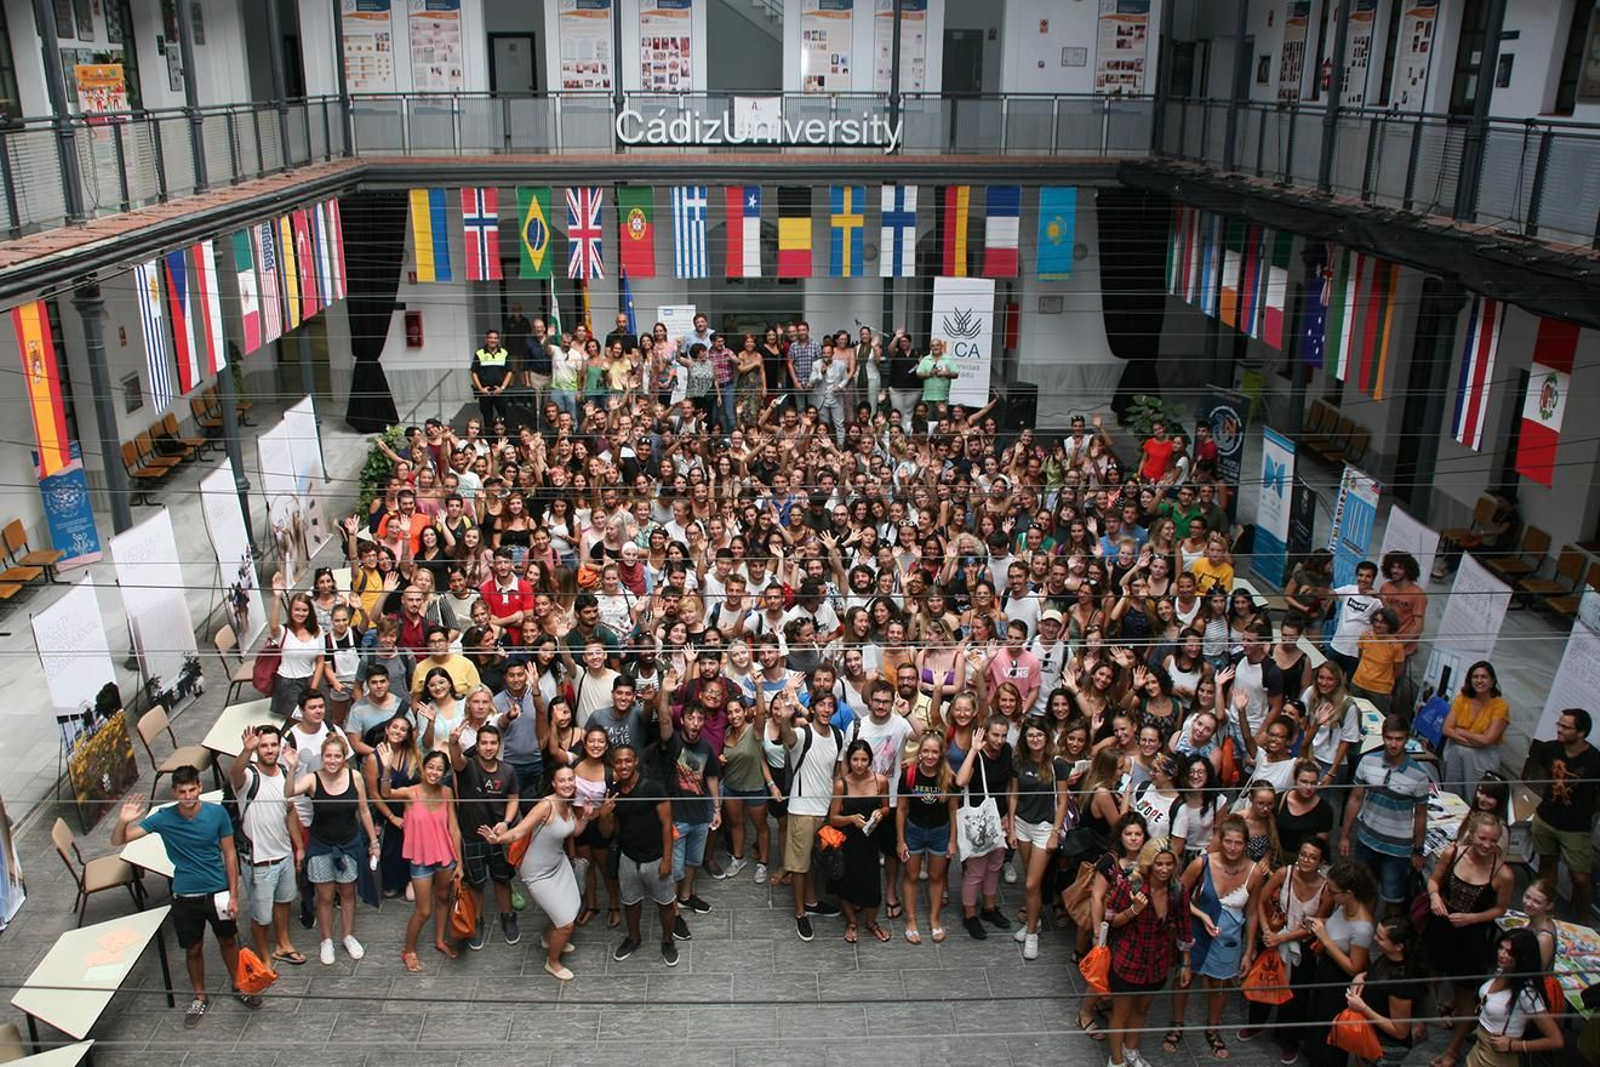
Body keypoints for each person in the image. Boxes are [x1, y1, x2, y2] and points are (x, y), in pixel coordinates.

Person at [111, 767, 262, 1028]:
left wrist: (234, 895)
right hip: (185, 894)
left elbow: (229, 854)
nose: (188, 795)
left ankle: (240, 986)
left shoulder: (216, 814)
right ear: (175, 793)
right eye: (183, 792)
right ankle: (199, 996)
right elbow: (118, 840)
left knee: (228, 941)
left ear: (199, 788)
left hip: (217, 892)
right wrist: (124, 820)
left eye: (192, 789)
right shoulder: (163, 817)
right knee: (193, 948)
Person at [480, 766, 596, 981]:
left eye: (571, 779)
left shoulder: (567, 804)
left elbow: (573, 831)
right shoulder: (546, 806)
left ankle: (548, 938)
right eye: (562, 780)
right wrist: (498, 840)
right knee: (567, 924)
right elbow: (520, 830)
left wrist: (586, 817)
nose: (567, 784)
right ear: (553, 783)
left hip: (558, 864)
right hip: (538, 872)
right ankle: (552, 962)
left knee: (570, 908)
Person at [1427, 810, 1516, 1067]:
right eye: (1482, 838)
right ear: (1472, 834)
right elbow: (1434, 881)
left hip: (1472, 937)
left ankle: (1453, 1049)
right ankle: (1422, 1020)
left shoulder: (1503, 874)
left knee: (1466, 994)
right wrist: (1434, 897)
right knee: (1430, 975)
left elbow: (1500, 909)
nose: (1487, 845)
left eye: (1493, 840)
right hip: (1442, 925)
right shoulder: (1453, 853)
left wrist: (1472, 918)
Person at [1177, 815, 1266, 1062]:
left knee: (1220, 985)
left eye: (1238, 843)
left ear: (1245, 844)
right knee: (1184, 978)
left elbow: (1252, 912)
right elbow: (1179, 895)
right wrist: (1202, 915)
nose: (1233, 848)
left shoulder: (1254, 872)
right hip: (1196, 931)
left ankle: (1212, 1028)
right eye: (1228, 841)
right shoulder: (1201, 864)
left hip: (1229, 937)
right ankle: (1177, 1024)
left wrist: (1249, 951)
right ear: (1220, 840)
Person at [1241, 837, 1332, 1061]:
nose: (1305, 860)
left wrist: (1284, 938)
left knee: (1297, 996)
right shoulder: (1284, 873)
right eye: (1303, 854)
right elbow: (1260, 901)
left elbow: (1317, 924)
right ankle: (1256, 1024)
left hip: (1302, 946)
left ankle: (1289, 1039)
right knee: (1264, 981)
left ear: (1321, 862)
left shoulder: (1326, 888)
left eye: (1312, 857)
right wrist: (1267, 932)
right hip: (1274, 936)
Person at [373, 746, 463, 971]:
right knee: (423, 910)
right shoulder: (410, 792)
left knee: (443, 899)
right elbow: (385, 793)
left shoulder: (447, 793)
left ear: (444, 773)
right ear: (423, 769)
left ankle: (440, 940)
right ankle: (409, 950)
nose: (434, 772)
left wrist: (459, 862)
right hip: (421, 858)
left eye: (439, 769)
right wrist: (386, 769)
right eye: (430, 767)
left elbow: (454, 828)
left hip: (445, 856)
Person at [1105, 842, 1194, 1067]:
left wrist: (1185, 964)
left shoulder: (1177, 891)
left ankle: (1131, 1050)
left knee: (1142, 1009)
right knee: (1120, 1013)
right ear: (1148, 864)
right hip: (1128, 959)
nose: (1164, 869)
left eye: (1168, 864)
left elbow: (1184, 928)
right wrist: (1133, 910)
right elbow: (1110, 918)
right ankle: (1116, 1060)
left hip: (1157, 962)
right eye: (1159, 864)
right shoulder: (1131, 886)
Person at [228, 725, 305, 968]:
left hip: (283, 855)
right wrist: (245, 752)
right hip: (259, 862)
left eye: (273, 745)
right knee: (261, 916)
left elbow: (289, 811)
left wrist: (299, 847)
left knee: (284, 903)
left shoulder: (283, 772)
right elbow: (235, 774)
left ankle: (283, 944)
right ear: (256, 749)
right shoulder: (249, 777)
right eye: (264, 746)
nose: (269, 750)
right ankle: (263, 954)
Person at [601, 744, 685, 966]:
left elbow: (667, 824)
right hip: (628, 858)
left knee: (666, 903)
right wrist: (604, 815)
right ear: (613, 765)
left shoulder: (652, 788)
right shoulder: (613, 790)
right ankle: (633, 937)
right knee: (630, 902)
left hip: (656, 857)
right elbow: (609, 832)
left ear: (636, 761)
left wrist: (667, 859)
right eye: (618, 762)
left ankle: (668, 941)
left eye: (628, 760)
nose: (623, 765)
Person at [1340, 715, 1430, 916]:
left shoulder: (1418, 775)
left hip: (1397, 848)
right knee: (1363, 892)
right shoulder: (1368, 761)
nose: (1393, 744)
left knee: (1393, 898)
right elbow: (1355, 798)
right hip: (1366, 839)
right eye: (1389, 738)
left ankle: (1388, 940)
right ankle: (1361, 937)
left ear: (1407, 739)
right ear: (1382, 737)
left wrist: (1418, 849)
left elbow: (1421, 815)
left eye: (1399, 739)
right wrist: (1345, 835)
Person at [1522, 707, 1600, 920]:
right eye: (1559, 724)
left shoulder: (1594, 760)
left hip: (1576, 826)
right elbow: (1540, 776)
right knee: (1547, 865)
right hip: (1546, 818)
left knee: (1581, 878)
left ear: (1581, 732)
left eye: (1565, 727)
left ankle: (1583, 921)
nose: (1559, 729)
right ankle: (1543, 910)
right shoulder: (1549, 749)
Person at [448, 722, 521, 950]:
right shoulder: (468, 766)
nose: (488, 747)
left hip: (498, 837)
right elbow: (456, 760)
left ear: (499, 746)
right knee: (476, 883)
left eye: (492, 743)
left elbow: (513, 798)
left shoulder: (507, 770)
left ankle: (508, 916)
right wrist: (453, 743)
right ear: (477, 746)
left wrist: (506, 823)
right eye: (484, 743)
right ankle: (477, 920)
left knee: (502, 879)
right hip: (472, 837)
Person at [657, 670, 722, 919]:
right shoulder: (672, 741)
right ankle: (672, 912)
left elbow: (712, 777)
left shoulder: (706, 747)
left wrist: (716, 810)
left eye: (699, 719)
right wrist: (666, 692)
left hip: (700, 817)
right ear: (682, 720)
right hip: (677, 818)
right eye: (690, 718)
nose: (695, 723)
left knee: (694, 861)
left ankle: (686, 897)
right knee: (675, 867)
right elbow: (663, 719)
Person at [1302, 862, 1377, 1067]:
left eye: (1333, 891)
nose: (1329, 893)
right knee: (1316, 1019)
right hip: (1325, 971)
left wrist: (1325, 939)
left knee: (1329, 1032)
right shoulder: (1343, 907)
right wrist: (1319, 922)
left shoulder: (1363, 927)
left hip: (1338, 983)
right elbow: (1336, 927)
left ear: (1348, 893)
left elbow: (1355, 968)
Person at [1009, 717, 1070, 960]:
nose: (1035, 739)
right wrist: (1011, 827)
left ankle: (1032, 933)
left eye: (1039, 735)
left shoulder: (1058, 764)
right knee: (1029, 880)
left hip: (1045, 828)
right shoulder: (1018, 762)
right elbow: (1013, 794)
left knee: (1032, 884)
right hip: (1022, 824)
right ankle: (1035, 921)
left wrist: (1055, 832)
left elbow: (1063, 800)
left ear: (1047, 738)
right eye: (1030, 735)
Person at [1457, 930, 1565, 1067]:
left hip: (1497, 1060)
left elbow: (1556, 1040)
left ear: (1522, 958)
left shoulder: (1527, 993)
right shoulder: (1502, 971)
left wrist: (1514, 1045)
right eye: (1501, 948)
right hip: (1478, 1051)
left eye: (1509, 952)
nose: (1501, 954)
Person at [955, 714, 1015, 940]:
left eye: (1003, 735)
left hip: (998, 817)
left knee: (995, 865)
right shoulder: (977, 754)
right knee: (975, 871)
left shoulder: (1007, 751)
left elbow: (1009, 784)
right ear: (985, 733)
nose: (999, 740)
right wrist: (973, 750)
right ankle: (969, 914)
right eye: (995, 735)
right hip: (976, 820)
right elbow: (960, 782)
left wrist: (1008, 815)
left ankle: (989, 908)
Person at [897, 733, 958, 945]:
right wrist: (900, 840)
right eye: (926, 751)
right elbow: (902, 809)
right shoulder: (909, 774)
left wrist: (952, 840)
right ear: (919, 752)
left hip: (940, 832)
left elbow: (952, 810)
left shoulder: (948, 777)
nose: (930, 755)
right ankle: (911, 919)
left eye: (934, 751)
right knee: (911, 875)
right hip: (914, 830)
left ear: (941, 754)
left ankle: (934, 918)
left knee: (936, 876)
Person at [1343, 915, 1427, 1067]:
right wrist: (1361, 976)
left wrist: (1362, 1007)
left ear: (1398, 946)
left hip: (1386, 1048)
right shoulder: (1389, 957)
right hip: (1370, 1035)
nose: (1375, 938)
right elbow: (1376, 974)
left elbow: (1400, 1031)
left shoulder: (1400, 982)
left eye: (1380, 938)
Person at [829, 739, 890, 944]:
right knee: (848, 882)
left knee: (873, 882)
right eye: (855, 759)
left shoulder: (880, 781)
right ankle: (852, 922)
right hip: (848, 841)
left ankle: (872, 922)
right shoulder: (841, 784)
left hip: (871, 840)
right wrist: (851, 819)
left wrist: (880, 813)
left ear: (870, 760)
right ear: (849, 760)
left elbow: (886, 807)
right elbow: (833, 818)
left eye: (864, 759)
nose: (859, 764)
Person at [1439, 661, 1509, 799]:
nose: (1479, 680)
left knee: (1476, 796)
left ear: (1492, 681)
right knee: (1451, 795)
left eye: (1484, 677)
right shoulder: (1462, 699)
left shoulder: (1500, 706)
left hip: (1482, 757)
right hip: (1455, 751)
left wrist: (1460, 731)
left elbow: (1487, 740)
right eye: (1475, 677)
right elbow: (1446, 729)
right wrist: (1472, 741)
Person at [268, 571, 325, 718]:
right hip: (287, 683)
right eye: (297, 610)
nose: (300, 613)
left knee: (311, 718)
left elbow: (320, 662)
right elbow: (273, 626)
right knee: (301, 718)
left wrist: (313, 688)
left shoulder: (317, 631)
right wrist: (277, 597)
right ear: (291, 611)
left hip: (308, 679)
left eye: (304, 610)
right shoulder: (283, 631)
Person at [1325, 560, 1381, 682]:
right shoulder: (1349, 589)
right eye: (1361, 575)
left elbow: (1391, 617)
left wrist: (1381, 597)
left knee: (1348, 685)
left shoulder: (1377, 601)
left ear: (1373, 579)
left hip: (1356, 653)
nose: (1363, 579)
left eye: (1368, 576)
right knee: (1326, 679)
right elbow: (1330, 594)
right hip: (1336, 647)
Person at [471, 329, 512, 426]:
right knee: (487, 418)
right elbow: (473, 372)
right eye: (490, 338)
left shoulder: (504, 353)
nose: (492, 340)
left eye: (495, 338)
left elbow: (509, 371)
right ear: (486, 339)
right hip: (485, 392)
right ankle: (490, 440)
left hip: (500, 391)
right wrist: (480, 389)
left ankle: (504, 440)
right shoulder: (479, 353)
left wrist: (502, 388)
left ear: (498, 340)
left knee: (504, 418)